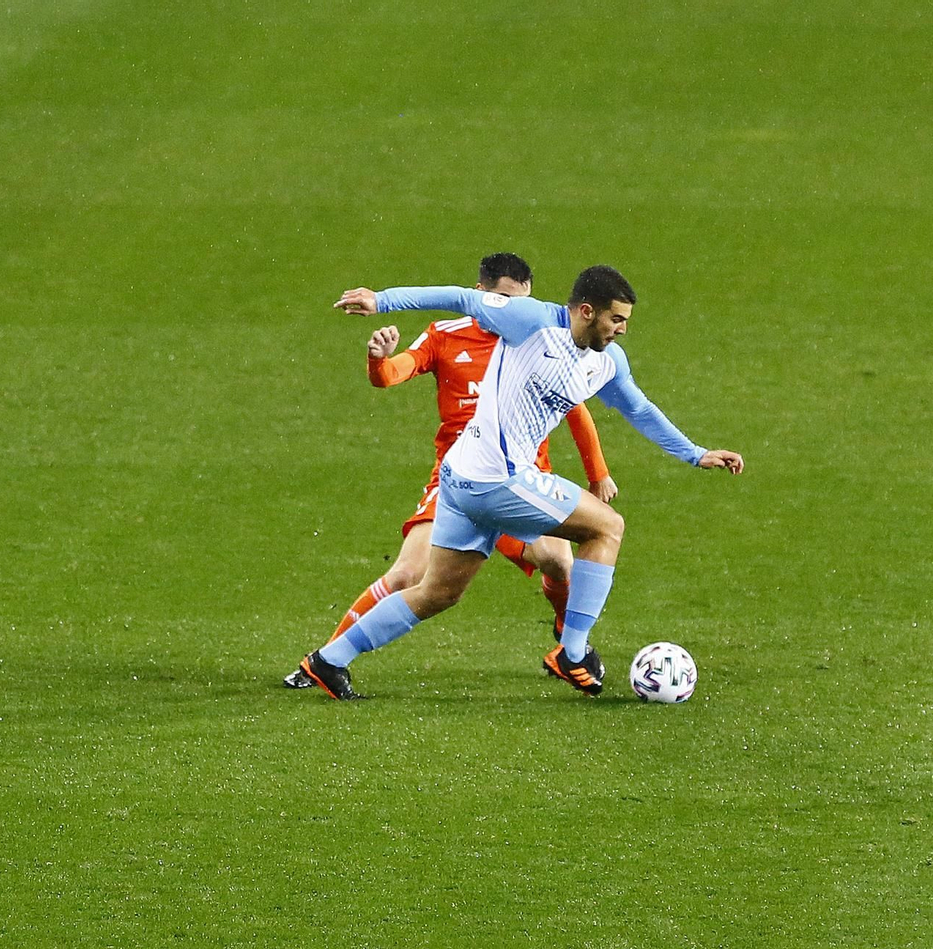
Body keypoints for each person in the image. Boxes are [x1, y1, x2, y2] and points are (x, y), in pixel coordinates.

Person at [296, 265, 743, 700]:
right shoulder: (530, 320)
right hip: (498, 480)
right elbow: (461, 297)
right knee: (607, 528)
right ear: (587, 311)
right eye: (616, 319)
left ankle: (329, 660)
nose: (622, 329)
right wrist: (382, 301)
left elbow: (639, 409)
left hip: (461, 476)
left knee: (437, 592)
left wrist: (695, 453)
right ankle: (572, 653)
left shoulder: (607, 362)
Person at [283, 253, 618, 690]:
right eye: (504, 299)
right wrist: (378, 359)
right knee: (410, 575)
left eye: (522, 300)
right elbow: (391, 375)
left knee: (558, 560)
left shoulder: (539, 337)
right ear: (482, 294)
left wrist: (598, 473)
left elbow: (575, 409)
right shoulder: (445, 336)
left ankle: (567, 641)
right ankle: (325, 659)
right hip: (459, 478)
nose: (513, 310)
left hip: (524, 479)